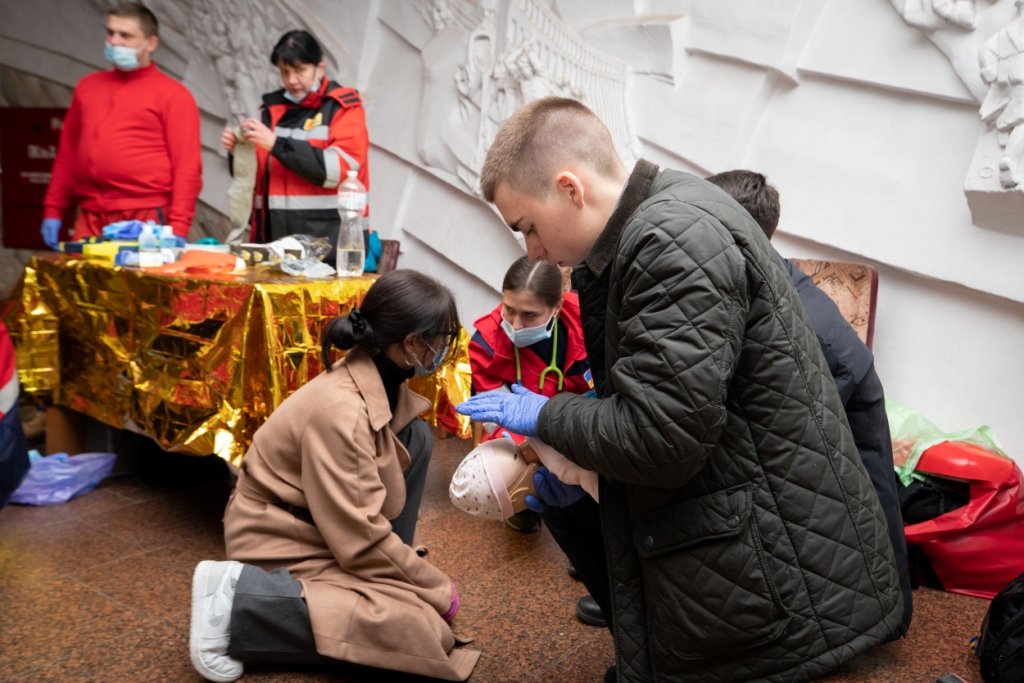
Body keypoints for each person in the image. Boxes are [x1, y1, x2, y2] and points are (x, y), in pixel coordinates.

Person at [457, 97, 903, 681]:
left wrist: (546, 414)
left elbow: (658, 441)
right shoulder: (671, 213)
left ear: (570, 187)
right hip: (762, 541)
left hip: (769, 567)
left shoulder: (668, 239)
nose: (531, 250)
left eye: (529, 227)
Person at [189, 270, 478, 682]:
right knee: (418, 630)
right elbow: (359, 540)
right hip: (277, 536)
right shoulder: (340, 412)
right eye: (441, 339)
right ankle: (237, 605)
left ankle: (381, 582)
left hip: (325, 529)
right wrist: (433, 586)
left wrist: (408, 580)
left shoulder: (379, 380)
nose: (444, 350)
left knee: (415, 436)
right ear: (411, 343)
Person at [706, 168, 913, 640]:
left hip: (844, 412)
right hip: (829, 398)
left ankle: (886, 619)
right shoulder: (759, 264)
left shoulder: (803, 318)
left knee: (867, 519)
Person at [468, 256, 605, 626]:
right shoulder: (486, 338)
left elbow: (604, 395)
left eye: (529, 316)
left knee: (589, 492)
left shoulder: (589, 320)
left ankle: (609, 580)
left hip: (582, 433)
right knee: (522, 477)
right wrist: (531, 450)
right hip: (528, 445)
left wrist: (563, 428)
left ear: (558, 307)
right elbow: (494, 414)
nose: (514, 324)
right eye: (508, 309)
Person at [40, 2, 202, 248]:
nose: (115, 41)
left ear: (151, 43)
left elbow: (187, 166)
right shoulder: (87, 87)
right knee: (85, 286)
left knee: (138, 287)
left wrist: (179, 226)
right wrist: (53, 208)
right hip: (90, 214)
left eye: (125, 36)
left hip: (146, 217)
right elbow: (68, 154)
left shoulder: (173, 96)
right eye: (111, 33)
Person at [221, 29, 369, 259]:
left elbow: (339, 170)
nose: (291, 80)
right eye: (285, 72)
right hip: (273, 242)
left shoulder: (342, 107)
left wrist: (276, 144)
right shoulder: (272, 108)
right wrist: (238, 153)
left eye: (300, 70)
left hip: (328, 246)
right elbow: (260, 178)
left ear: (319, 69)